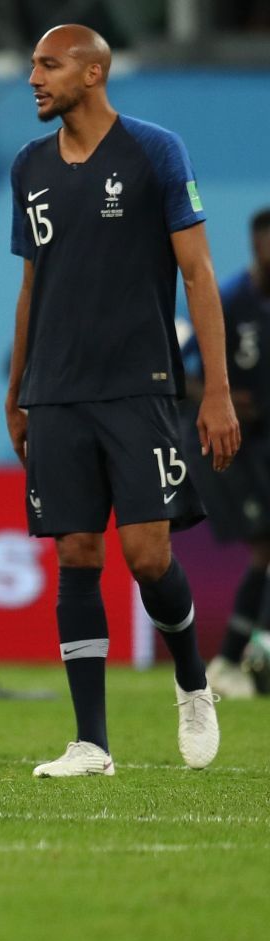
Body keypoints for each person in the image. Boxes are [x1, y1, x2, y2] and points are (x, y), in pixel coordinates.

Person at [6, 24, 239, 777]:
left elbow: (199, 274)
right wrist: (19, 391)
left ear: (94, 71)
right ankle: (91, 743)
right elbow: (32, 283)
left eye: (49, 65)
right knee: (76, 552)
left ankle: (192, 682)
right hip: (56, 390)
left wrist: (217, 394)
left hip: (140, 385)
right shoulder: (29, 167)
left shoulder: (154, 152)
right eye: (34, 64)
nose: (34, 77)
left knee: (146, 555)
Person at [197, 209, 270, 698]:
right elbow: (188, 372)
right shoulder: (232, 300)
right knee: (264, 548)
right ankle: (232, 658)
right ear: (254, 245)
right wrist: (221, 394)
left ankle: (241, 655)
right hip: (244, 447)